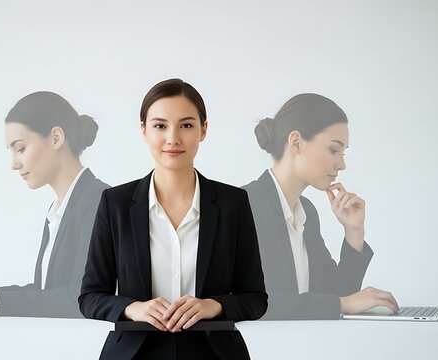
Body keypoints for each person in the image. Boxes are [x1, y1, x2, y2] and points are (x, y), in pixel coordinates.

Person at [79, 79, 267, 360]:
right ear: (143, 130)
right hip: (133, 353)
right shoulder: (115, 203)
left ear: (204, 130)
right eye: (160, 125)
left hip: (214, 353)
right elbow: (90, 297)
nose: (173, 138)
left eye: (186, 125)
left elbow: (255, 299)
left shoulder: (233, 203)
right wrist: (133, 309)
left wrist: (212, 306)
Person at [0, 91, 109, 317]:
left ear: (56, 138)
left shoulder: (98, 200)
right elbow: (47, 291)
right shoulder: (60, 208)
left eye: (21, 149)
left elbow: (81, 297)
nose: (14, 164)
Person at [243, 93, 399, 320]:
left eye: (343, 153)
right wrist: (342, 303)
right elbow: (258, 301)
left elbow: (335, 295)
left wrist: (354, 231)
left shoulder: (306, 211)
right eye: (334, 150)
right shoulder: (246, 204)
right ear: (296, 142)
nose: (342, 164)